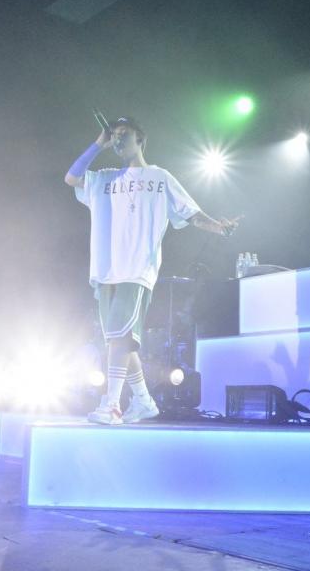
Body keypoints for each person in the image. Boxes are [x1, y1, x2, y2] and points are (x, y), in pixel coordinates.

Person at [65, 116, 238, 425]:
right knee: (118, 341)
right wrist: (98, 143)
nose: (118, 139)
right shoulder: (103, 178)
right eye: (115, 135)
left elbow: (191, 213)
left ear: (140, 139)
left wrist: (219, 227)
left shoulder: (160, 177)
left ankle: (112, 404)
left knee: (120, 337)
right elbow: (71, 177)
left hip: (136, 269)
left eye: (124, 133)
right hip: (105, 271)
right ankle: (144, 401)